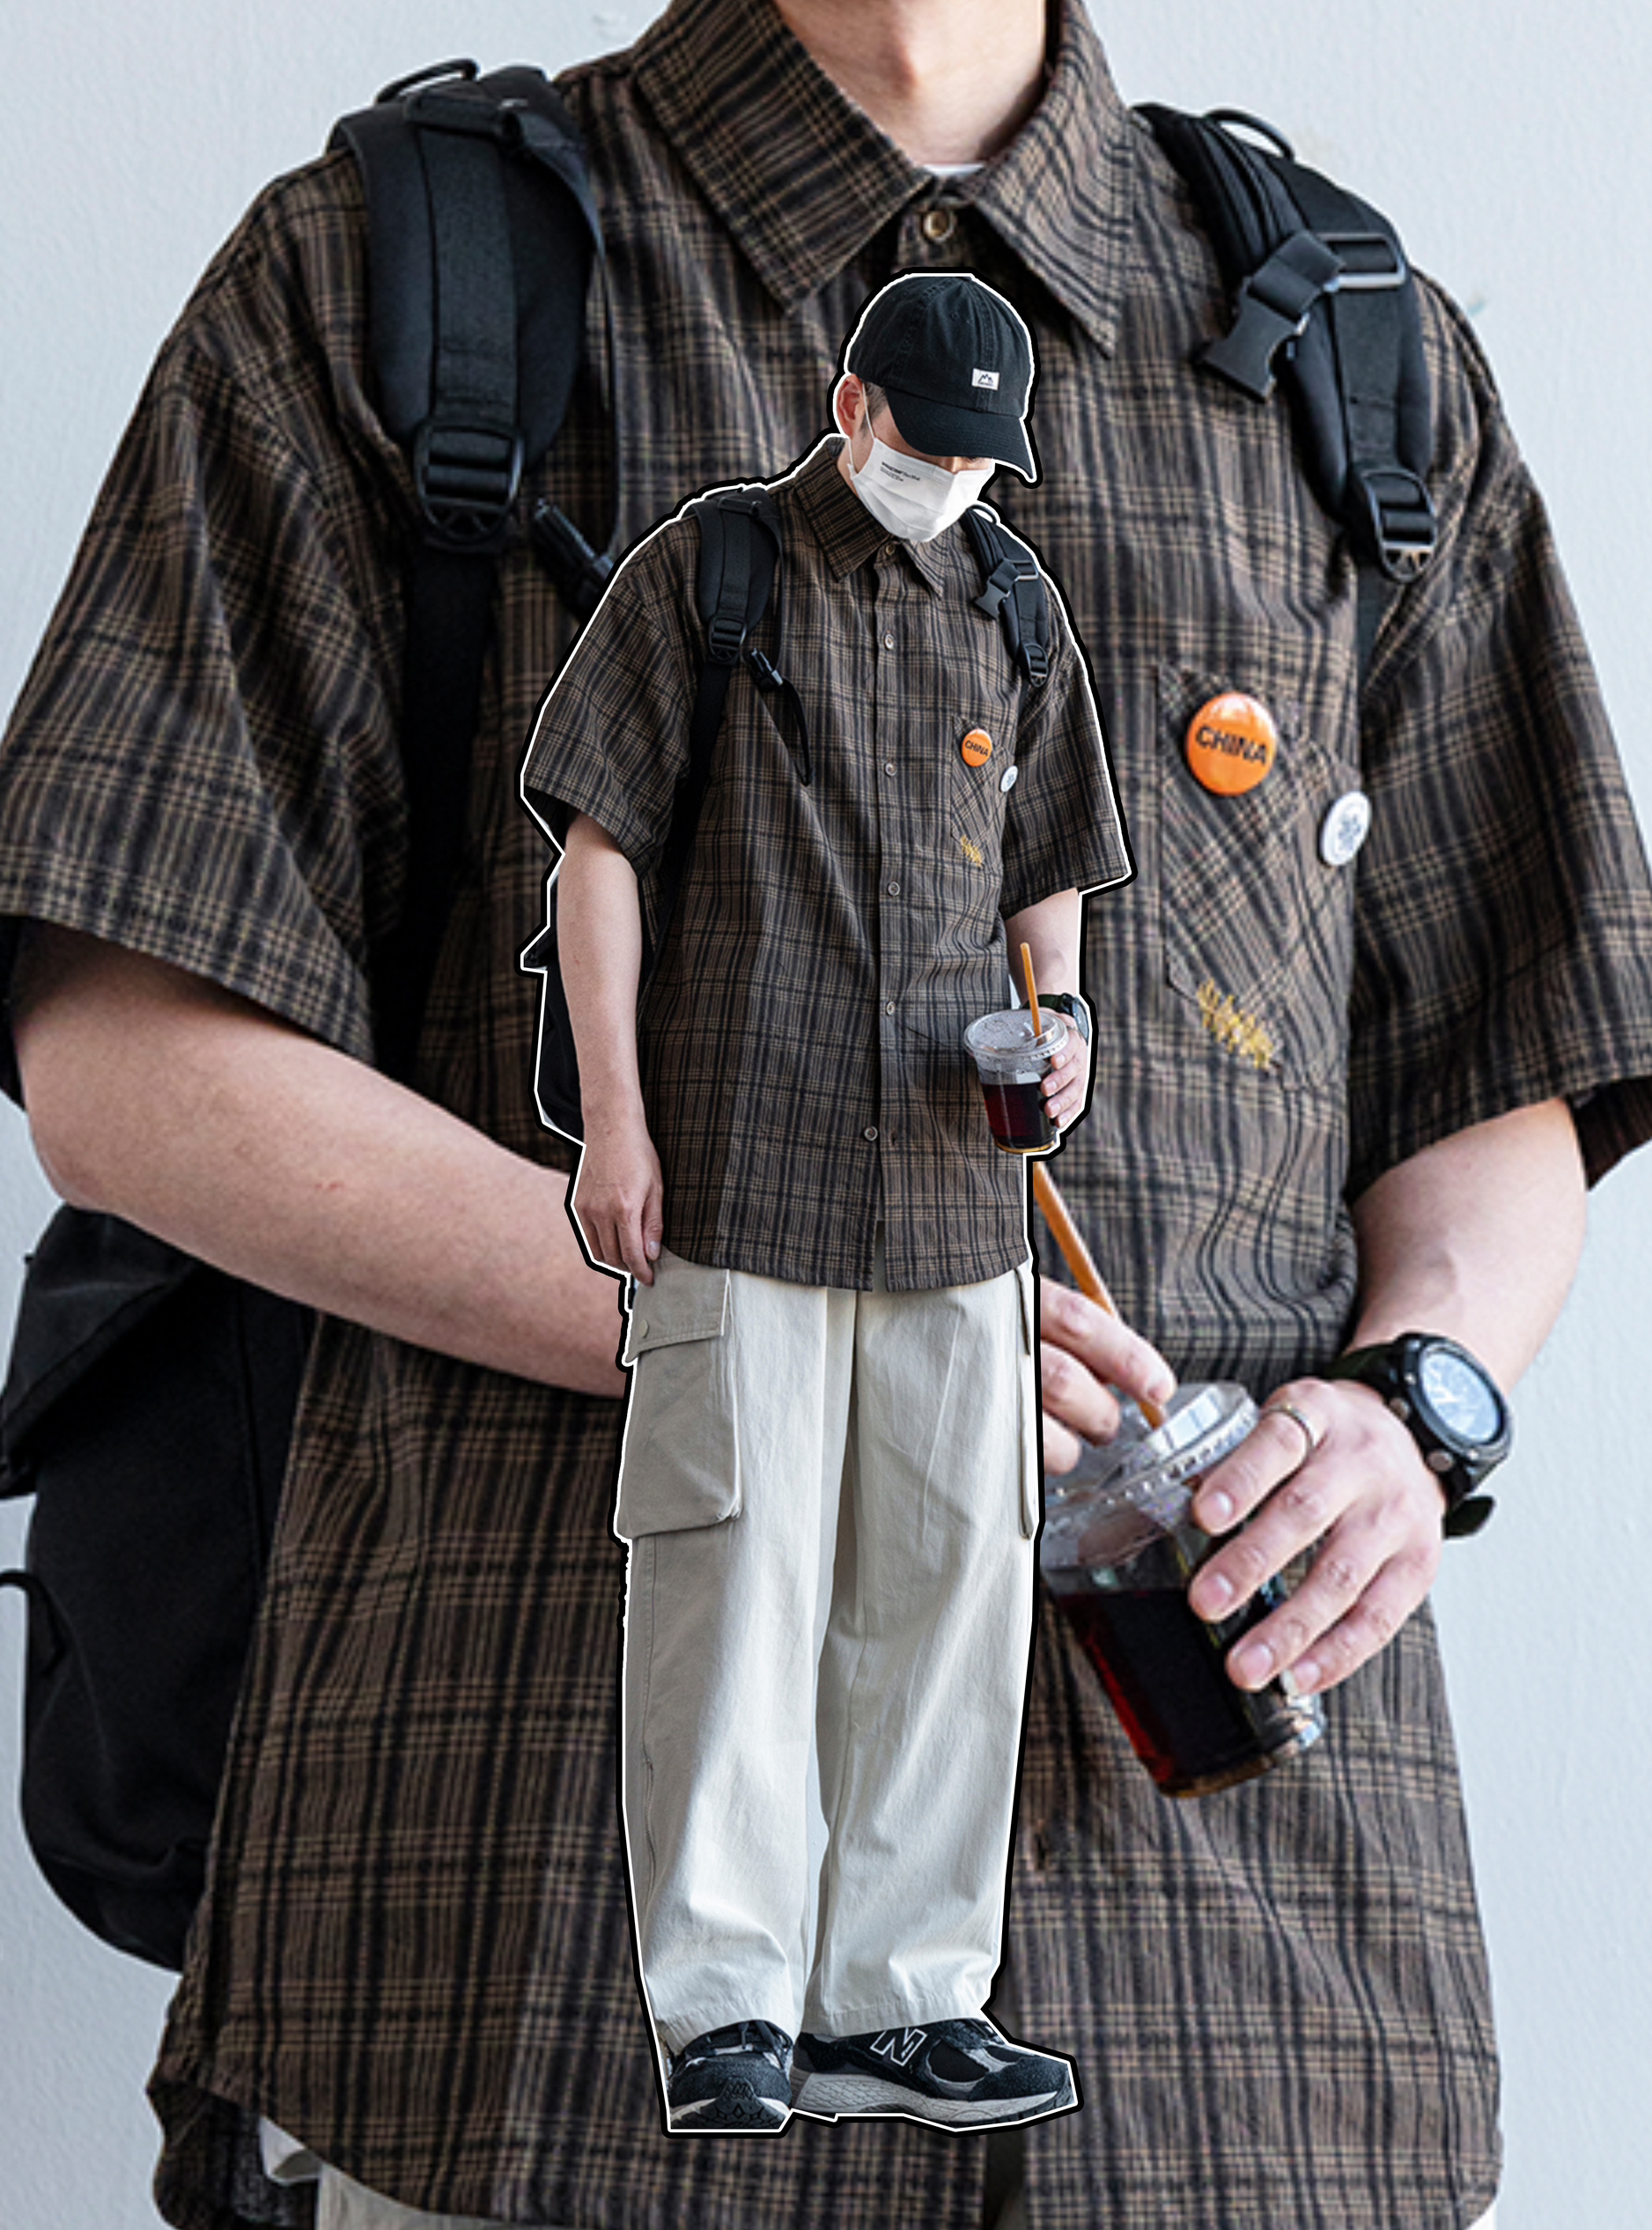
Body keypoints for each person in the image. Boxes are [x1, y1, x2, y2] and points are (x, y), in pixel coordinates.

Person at [3, 0, 1649, 2225]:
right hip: (548, 1999)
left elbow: (1493, 1049)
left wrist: (1409, 1404)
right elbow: (127, 1051)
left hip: (1233, 2021)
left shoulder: (1346, 350)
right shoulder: (406, 277)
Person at [529, 270, 1125, 2132]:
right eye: (928, 446)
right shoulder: (711, 575)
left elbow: (1046, 873)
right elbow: (599, 860)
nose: (951, 480)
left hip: (954, 1205)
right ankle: (725, 2014)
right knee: (733, 1592)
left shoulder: (1013, 603)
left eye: (979, 461)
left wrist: (1066, 1024)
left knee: (952, 1602)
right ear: (851, 404)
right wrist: (611, 1127)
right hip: (739, 1177)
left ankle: (906, 2002)